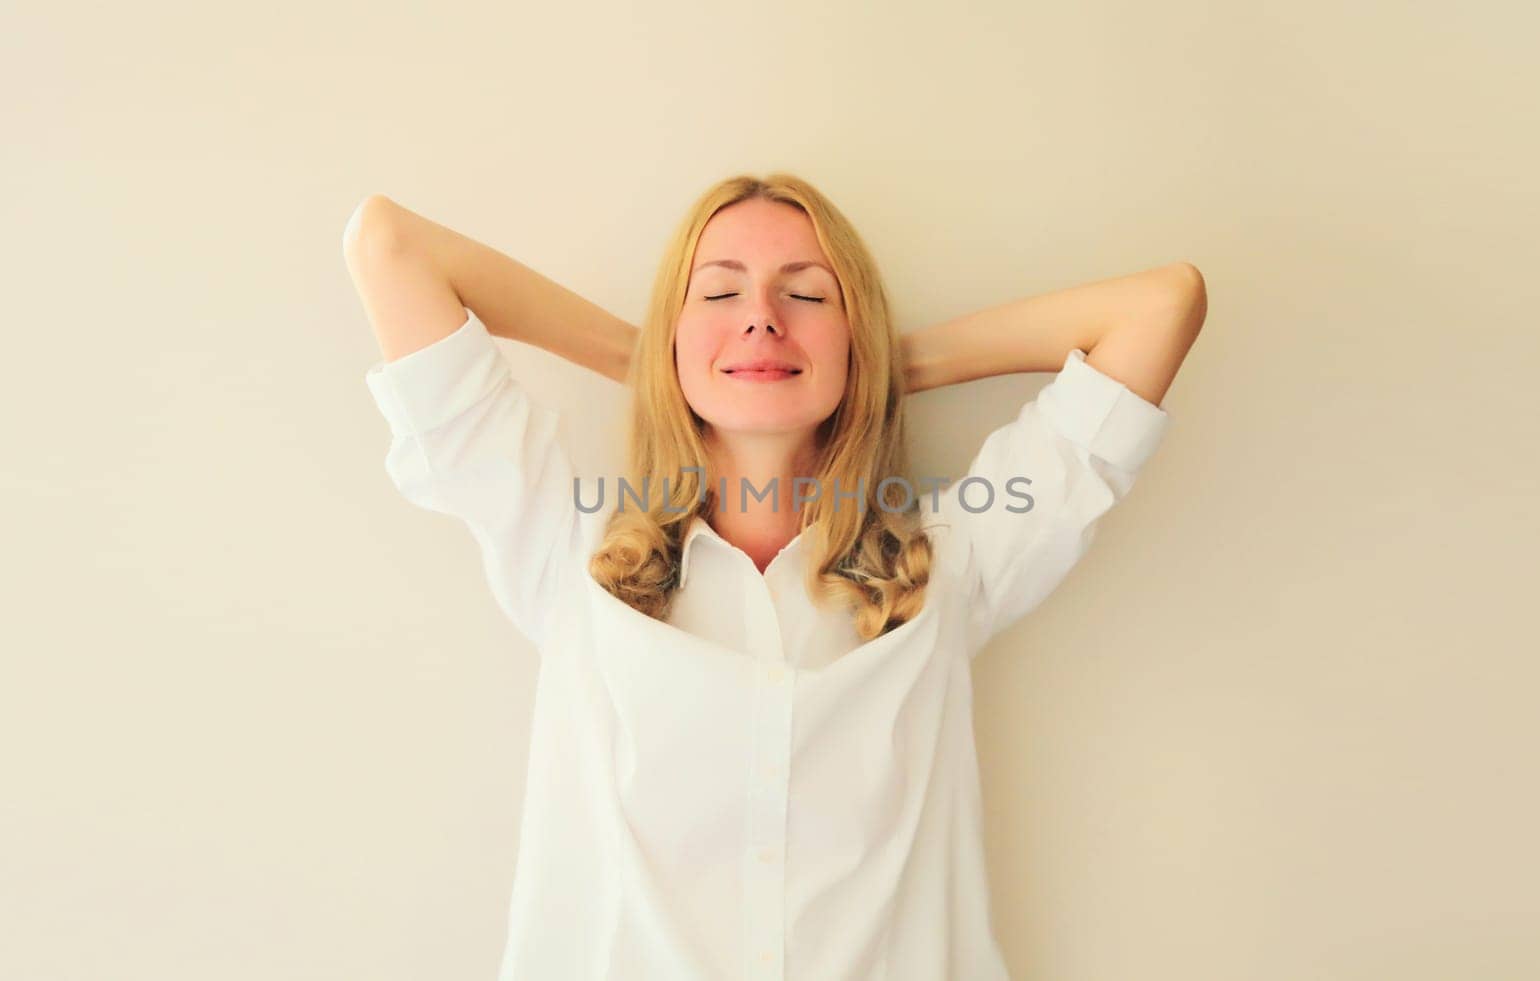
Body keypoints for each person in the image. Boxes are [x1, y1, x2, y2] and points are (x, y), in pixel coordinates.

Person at [343, 173, 1204, 980]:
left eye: (807, 296)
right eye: (719, 294)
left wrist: (880, 370)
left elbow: (1162, 306)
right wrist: (653, 361)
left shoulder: (946, 567)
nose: (760, 318)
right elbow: (392, 248)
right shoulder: (571, 552)